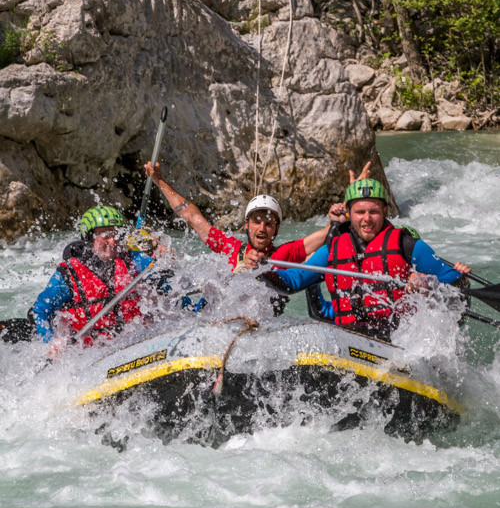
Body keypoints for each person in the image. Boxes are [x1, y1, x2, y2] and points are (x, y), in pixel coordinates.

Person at [263, 178, 471, 337]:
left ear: (385, 211)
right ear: (349, 213)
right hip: (348, 336)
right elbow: (293, 280)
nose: (367, 219)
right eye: (360, 212)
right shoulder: (331, 251)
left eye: (374, 212)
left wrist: (427, 282)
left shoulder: (406, 245)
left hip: (398, 339)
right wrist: (260, 270)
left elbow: (457, 283)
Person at [30, 206, 195, 348]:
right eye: (106, 235)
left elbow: (166, 292)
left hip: (135, 342)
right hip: (90, 354)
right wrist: (50, 343)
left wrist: (162, 260)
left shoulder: (134, 260)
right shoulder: (68, 274)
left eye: (116, 234)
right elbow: (40, 311)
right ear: (90, 237)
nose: (113, 240)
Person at [143, 162, 338, 271]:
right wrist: (160, 181)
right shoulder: (229, 248)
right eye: (256, 222)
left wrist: (347, 206)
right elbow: (192, 216)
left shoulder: (283, 255)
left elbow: (326, 233)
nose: (262, 229)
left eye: (269, 224)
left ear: (277, 229)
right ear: (247, 225)